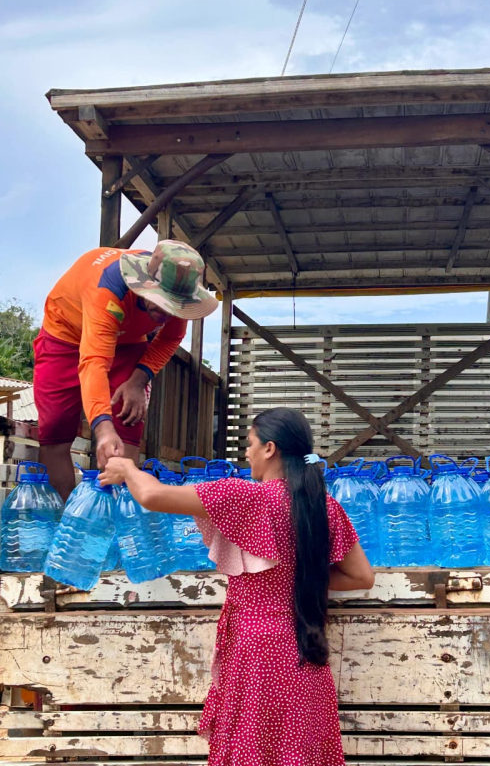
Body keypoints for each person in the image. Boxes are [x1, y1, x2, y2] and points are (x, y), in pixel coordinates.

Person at [100, 407, 374, 766]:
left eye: (250, 443)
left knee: (251, 751)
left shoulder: (244, 497)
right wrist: (299, 580)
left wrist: (128, 470)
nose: (246, 452)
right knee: (299, 752)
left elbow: (153, 496)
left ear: (270, 449)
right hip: (304, 649)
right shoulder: (324, 505)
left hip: (255, 653)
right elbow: (361, 577)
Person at [34, 240, 218, 500]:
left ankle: (119, 518)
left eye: (172, 306)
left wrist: (138, 381)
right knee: (55, 429)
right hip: (66, 332)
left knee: (127, 419)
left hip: (128, 340)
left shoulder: (179, 289)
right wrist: (102, 428)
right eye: (161, 302)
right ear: (145, 283)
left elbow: (170, 338)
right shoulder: (109, 289)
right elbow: (94, 361)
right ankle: (61, 519)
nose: (166, 313)